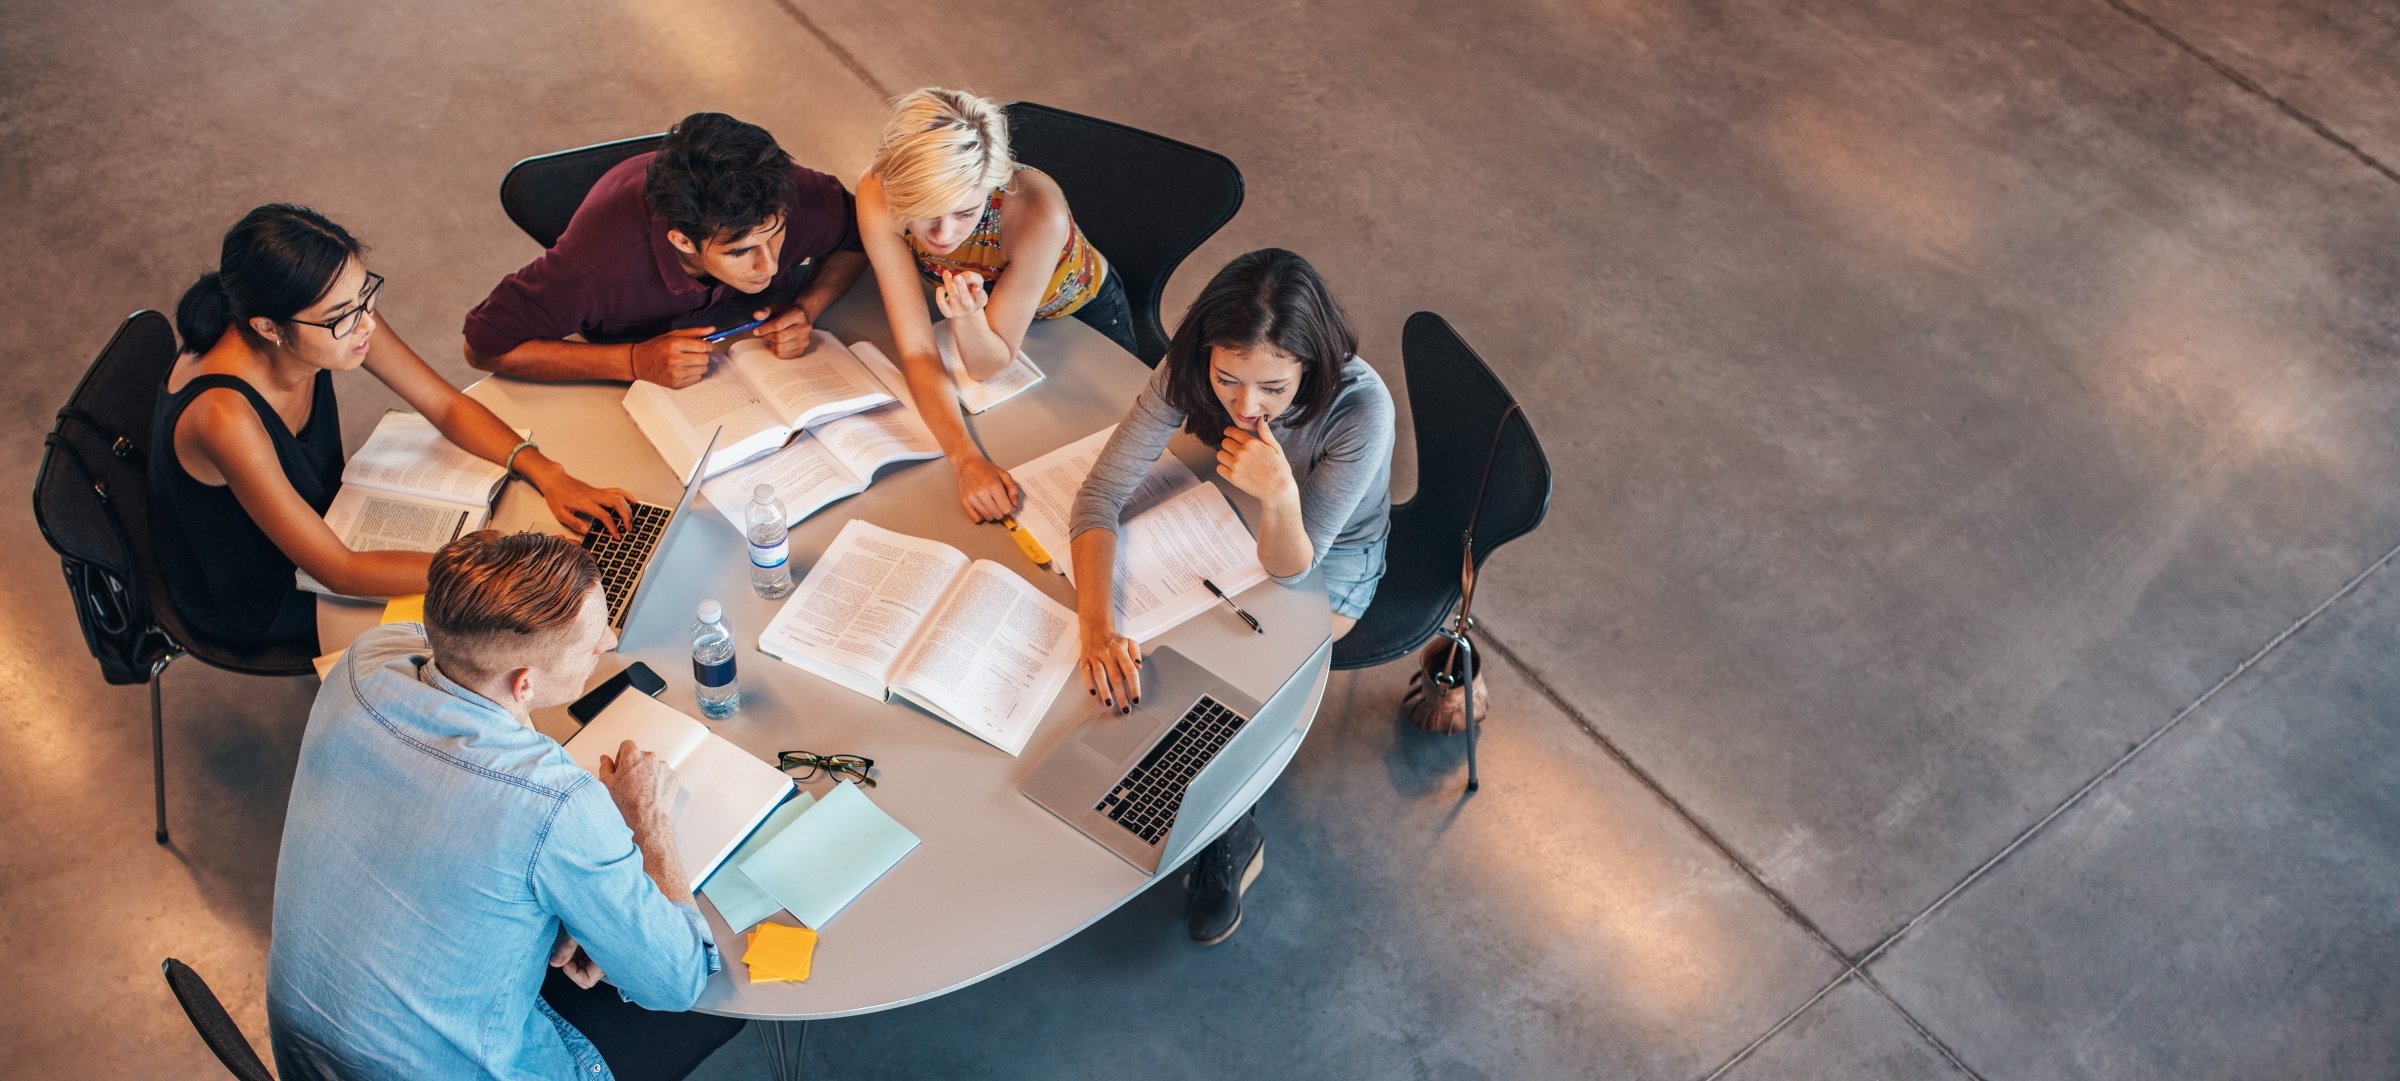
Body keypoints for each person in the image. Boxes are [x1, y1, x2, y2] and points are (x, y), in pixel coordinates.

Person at [268, 530, 742, 1080]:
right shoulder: (556, 806)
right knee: (702, 1011)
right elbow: (677, 980)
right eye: (592, 641)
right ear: (523, 685)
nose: (610, 641)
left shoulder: (364, 660)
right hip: (451, 1068)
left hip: (307, 1054)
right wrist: (645, 822)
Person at [1068, 248, 1394, 944]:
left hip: (1328, 561)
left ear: (1311, 364)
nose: (1246, 407)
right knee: (1145, 641)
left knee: (1235, 668)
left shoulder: (1360, 409)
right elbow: (1098, 496)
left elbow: (1294, 570)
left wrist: (1277, 494)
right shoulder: (1188, 371)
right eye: (1228, 381)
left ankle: (1228, 826)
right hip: (1222, 520)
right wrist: (1096, 625)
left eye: (1274, 388)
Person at [153, 204, 631, 650]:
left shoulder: (332, 313)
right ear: (268, 328)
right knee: (495, 633)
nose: (365, 326)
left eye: (365, 296)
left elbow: (443, 405)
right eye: (342, 317)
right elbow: (337, 570)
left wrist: (547, 472)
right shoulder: (224, 417)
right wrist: (496, 559)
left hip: (326, 518)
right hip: (265, 587)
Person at [855, 87, 1136, 523]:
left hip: (1078, 314)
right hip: (980, 308)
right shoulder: (877, 193)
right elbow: (916, 348)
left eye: (965, 213)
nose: (944, 235)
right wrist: (965, 459)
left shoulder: (1037, 210)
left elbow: (987, 365)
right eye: (926, 212)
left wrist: (968, 319)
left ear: (994, 183)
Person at [463, 112, 869, 387]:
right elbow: (483, 347)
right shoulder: (595, 265)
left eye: (776, 234)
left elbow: (859, 238)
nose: (771, 263)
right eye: (740, 251)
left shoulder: (794, 196)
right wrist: (633, 362)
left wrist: (807, 308)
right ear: (682, 240)